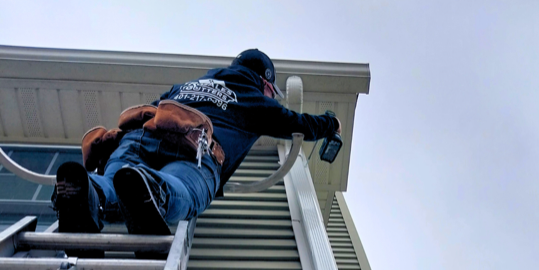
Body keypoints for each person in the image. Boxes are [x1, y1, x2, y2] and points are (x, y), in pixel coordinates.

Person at [52, 49, 341, 243]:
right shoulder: (256, 100)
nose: (271, 96)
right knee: (179, 186)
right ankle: (153, 189)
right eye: (271, 91)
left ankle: (86, 190)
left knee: (111, 183)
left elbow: (153, 108)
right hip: (195, 151)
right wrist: (331, 123)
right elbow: (299, 123)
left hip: (137, 139)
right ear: (265, 83)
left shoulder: (187, 85)